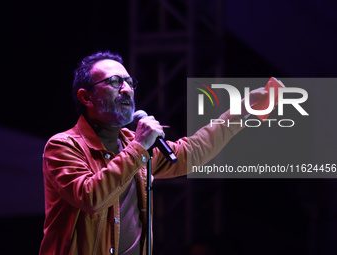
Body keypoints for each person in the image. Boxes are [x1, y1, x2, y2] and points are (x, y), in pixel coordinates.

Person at [39, 51, 267, 254]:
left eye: (129, 82)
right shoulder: (64, 146)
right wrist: (139, 147)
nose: (127, 89)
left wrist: (242, 111)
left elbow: (192, 153)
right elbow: (91, 198)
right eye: (115, 82)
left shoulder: (132, 143)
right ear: (86, 97)